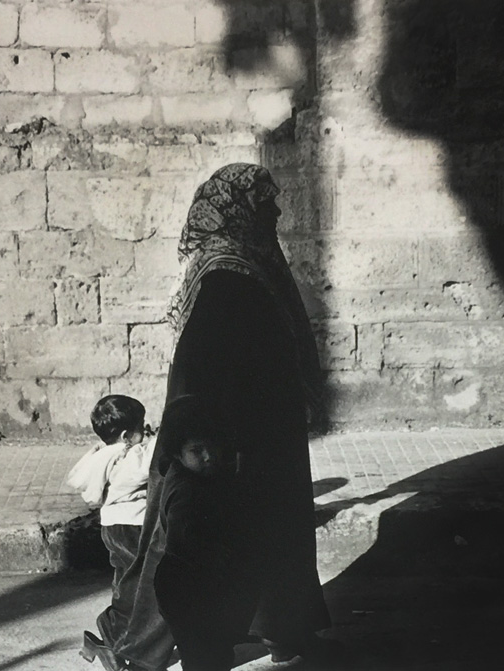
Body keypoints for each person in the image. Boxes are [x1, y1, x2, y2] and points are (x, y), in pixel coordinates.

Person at [102, 163, 333, 671]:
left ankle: (279, 630)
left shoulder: (234, 266)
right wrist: (216, 448)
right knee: (201, 550)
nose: (274, 212)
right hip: (228, 442)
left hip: (235, 437)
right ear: (236, 213)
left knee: (240, 542)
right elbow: (215, 368)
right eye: (263, 205)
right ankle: (149, 650)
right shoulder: (228, 277)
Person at [153, 394, 258, 671]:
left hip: (197, 587)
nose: (209, 456)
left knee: (213, 656)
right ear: (178, 453)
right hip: (189, 588)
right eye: (197, 450)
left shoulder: (197, 475)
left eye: (212, 447)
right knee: (206, 658)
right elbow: (180, 541)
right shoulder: (187, 491)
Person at [67, 395, 155, 670]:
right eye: (142, 426)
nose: (147, 429)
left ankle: (106, 638)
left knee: (127, 580)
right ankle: (112, 632)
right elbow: (145, 468)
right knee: (137, 585)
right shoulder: (126, 459)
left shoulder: (104, 454)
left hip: (115, 525)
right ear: (127, 435)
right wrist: (158, 439)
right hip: (130, 526)